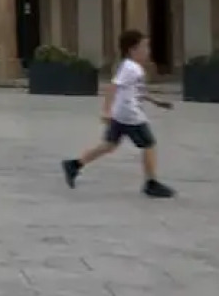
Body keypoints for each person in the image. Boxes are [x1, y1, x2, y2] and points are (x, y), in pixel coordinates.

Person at [63, 29, 175, 198]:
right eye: (144, 47)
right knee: (149, 144)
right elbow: (113, 87)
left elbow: (136, 91)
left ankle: (74, 165)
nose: (147, 51)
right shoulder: (131, 68)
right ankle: (151, 183)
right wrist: (106, 110)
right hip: (130, 115)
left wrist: (156, 101)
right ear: (132, 50)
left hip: (120, 113)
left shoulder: (131, 67)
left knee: (109, 145)